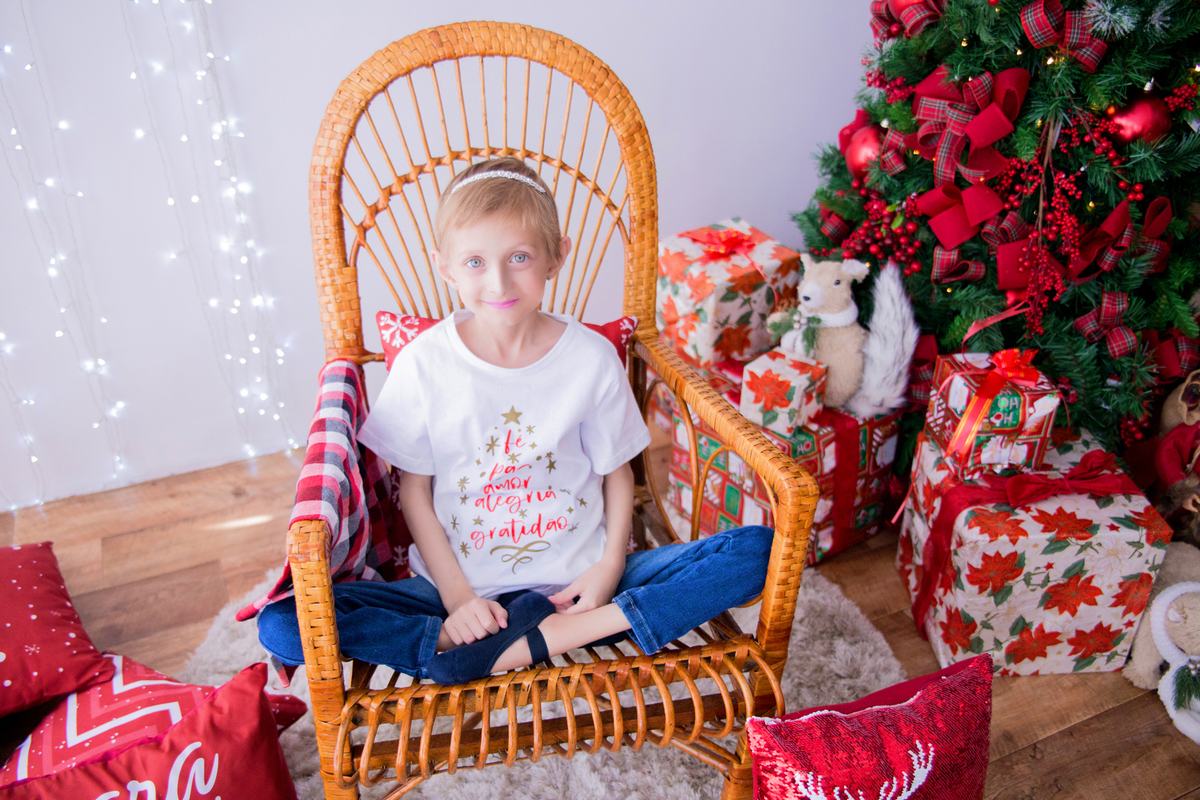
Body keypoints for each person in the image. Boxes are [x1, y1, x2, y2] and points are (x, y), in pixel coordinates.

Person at [257, 157, 775, 685]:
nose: (499, 280)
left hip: (583, 585)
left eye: (520, 257)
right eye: (476, 261)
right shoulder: (424, 362)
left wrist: (608, 570)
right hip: (456, 592)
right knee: (282, 623)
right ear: (445, 266)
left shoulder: (591, 358)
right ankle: (465, 641)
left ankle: (501, 650)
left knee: (755, 552)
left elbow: (619, 474)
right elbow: (413, 492)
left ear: (556, 257)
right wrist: (459, 602)